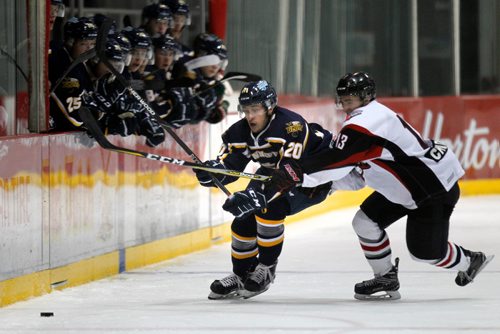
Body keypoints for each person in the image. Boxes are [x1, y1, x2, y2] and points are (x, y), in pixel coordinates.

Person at [224, 72, 494, 300]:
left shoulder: (368, 122)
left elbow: (336, 160)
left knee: (425, 252)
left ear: (366, 97)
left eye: (351, 99)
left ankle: (470, 260)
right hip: (403, 188)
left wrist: (289, 177)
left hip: (431, 190)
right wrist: (322, 184)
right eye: (343, 100)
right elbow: (356, 173)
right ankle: (386, 277)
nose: (346, 105)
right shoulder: (363, 120)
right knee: (364, 222)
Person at [194, 80, 363, 300]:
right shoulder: (239, 131)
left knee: (269, 207)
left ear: (270, 107)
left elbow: (288, 174)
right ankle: (240, 274)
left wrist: (257, 196)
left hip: (311, 176)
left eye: (255, 110)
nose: (250, 116)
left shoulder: (291, 126)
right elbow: (232, 165)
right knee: (244, 216)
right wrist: (214, 173)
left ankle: (265, 268)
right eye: (246, 110)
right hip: (274, 173)